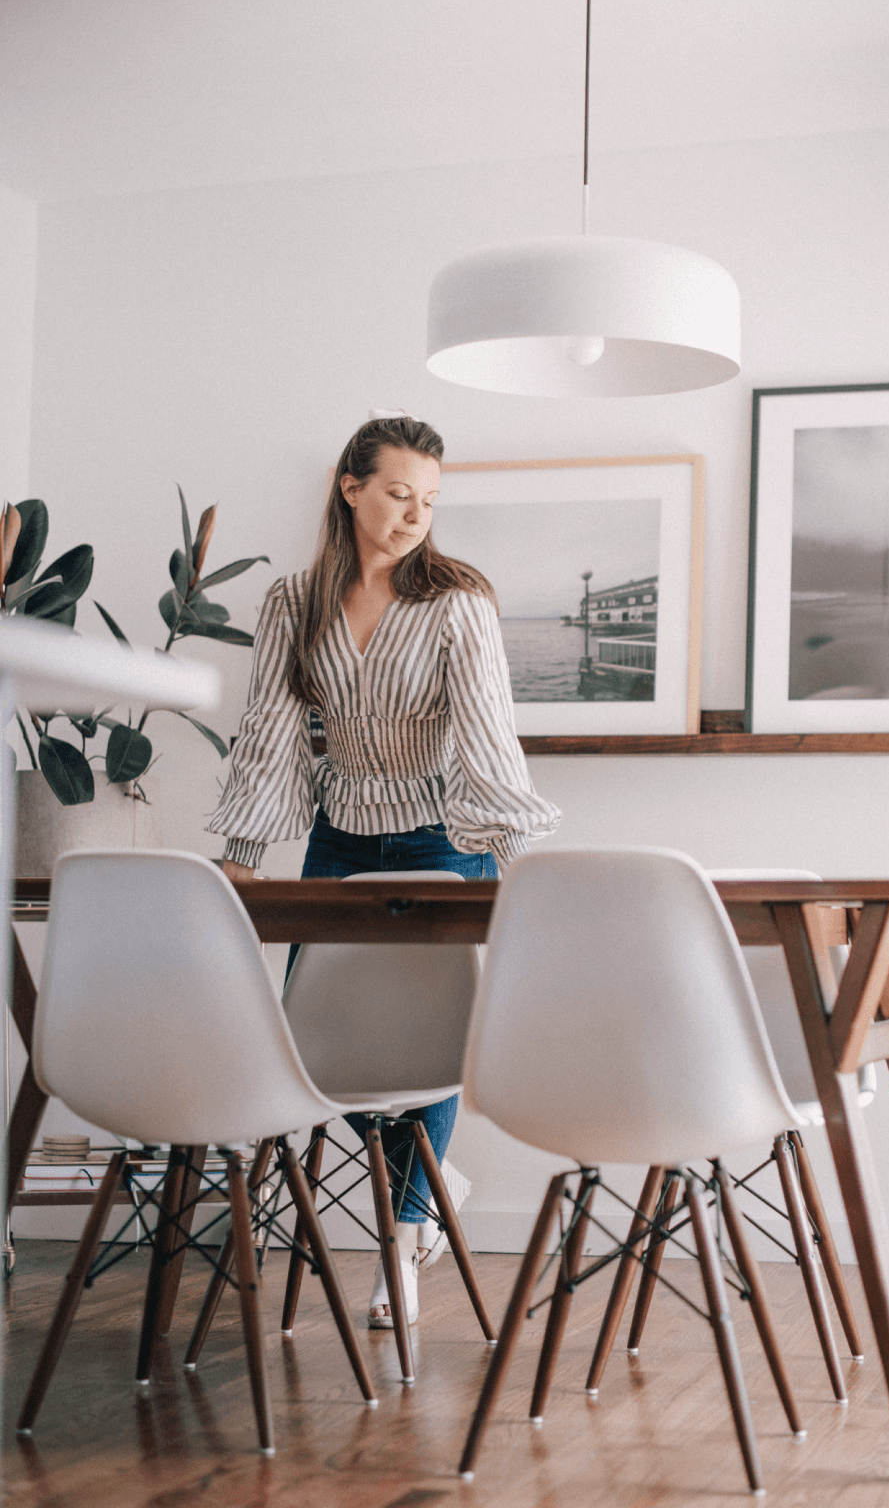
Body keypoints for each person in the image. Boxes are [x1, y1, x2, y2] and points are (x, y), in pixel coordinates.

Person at [209, 413, 561, 1328]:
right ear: (350, 486)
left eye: (430, 500)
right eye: (400, 493)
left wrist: (523, 869)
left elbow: (490, 746)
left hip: (446, 843)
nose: (415, 516)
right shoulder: (293, 602)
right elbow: (270, 737)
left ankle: (402, 1244)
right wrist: (238, 861)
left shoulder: (457, 603)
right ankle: (433, 1182)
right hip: (339, 840)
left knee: (425, 1052)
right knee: (325, 1048)